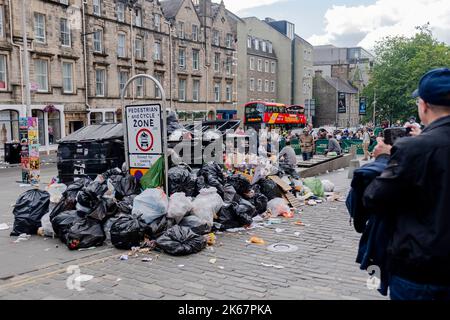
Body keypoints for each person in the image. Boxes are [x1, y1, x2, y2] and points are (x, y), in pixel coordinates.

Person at [363, 68, 450, 300]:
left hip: (422, 271)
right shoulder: (421, 145)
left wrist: (385, 158)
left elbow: (374, 198)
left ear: (424, 105)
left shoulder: (415, 148)